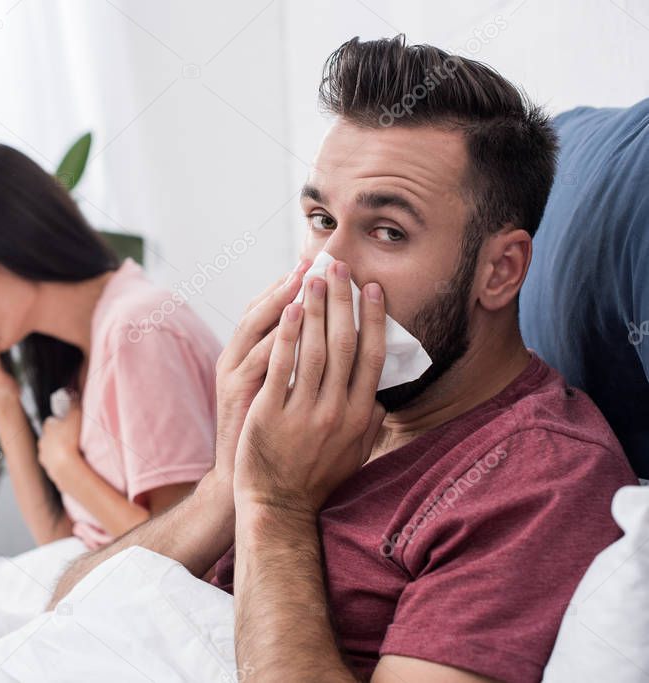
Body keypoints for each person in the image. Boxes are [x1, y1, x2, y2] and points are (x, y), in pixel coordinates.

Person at [50, 36, 638, 682]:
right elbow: (64, 611)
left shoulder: (538, 481)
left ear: (499, 270)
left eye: (386, 231)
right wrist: (226, 485)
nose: (328, 268)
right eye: (321, 218)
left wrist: (276, 504)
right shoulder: (316, 416)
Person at [0, 143, 222, 549]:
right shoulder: (79, 349)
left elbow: (187, 556)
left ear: (9, 240)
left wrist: (66, 467)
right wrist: (1, 397)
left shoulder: (137, 330)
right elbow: (57, 539)